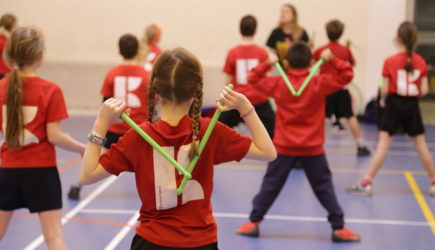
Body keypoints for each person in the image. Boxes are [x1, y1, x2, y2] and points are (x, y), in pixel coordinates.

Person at [79, 48, 276, 249]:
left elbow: (87, 175)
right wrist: (247, 109)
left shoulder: (138, 137)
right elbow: (268, 152)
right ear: (196, 91)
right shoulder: (209, 131)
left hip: (151, 242)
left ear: (154, 90)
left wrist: (101, 123)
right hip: (201, 243)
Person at [236, 42, 361, 242]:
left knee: (271, 184)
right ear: (312, 62)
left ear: (286, 63)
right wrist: (332, 59)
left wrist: (268, 63)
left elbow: (252, 78)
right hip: (311, 147)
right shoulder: (319, 82)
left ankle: (253, 222)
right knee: (324, 186)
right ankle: (339, 227)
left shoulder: (279, 83)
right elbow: (347, 76)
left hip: (284, 146)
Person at [0, 27, 86, 250]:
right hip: (41, 172)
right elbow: (54, 136)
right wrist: (82, 149)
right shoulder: (51, 90)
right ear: (40, 55)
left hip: (8, 170)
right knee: (54, 237)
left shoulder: (1, 88)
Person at [347, 21, 435, 196]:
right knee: (420, 144)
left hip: (394, 104)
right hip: (412, 106)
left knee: (383, 144)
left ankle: (366, 182)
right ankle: (434, 181)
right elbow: (424, 90)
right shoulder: (421, 62)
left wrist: (383, 101)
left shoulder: (390, 61)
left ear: (397, 38)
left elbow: (385, 89)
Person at [68, 34, 150, 200]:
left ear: (120, 51)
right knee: (150, 161)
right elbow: (152, 104)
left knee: (94, 158)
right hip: (138, 129)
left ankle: (77, 186)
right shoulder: (146, 75)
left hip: (114, 130)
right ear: (138, 51)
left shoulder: (112, 74)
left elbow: (105, 104)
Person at [313, 19, 371, 156]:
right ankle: (360, 145)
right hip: (341, 87)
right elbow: (352, 64)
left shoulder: (321, 50)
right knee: (350, 116)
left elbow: (311, 62)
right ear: (341, 33)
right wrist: (348, 49)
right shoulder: (345, 50)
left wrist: (311, 49)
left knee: (319, 118)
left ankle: (312, 146)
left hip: (325, 89)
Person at [220, 15, 275, 138]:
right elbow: (267, 78)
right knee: (272, 130)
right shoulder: (262, 52)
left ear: (240, 30)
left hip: (237, 99)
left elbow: (228, 81)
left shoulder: (232, 52)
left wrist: (224, 99)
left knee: (218, 127)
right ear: (255, 31)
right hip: (258, 99)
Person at [0, 13, 17, 79]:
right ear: (10, 26)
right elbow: (6, 58)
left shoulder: (9, 38)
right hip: (4, 71)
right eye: (15, 26)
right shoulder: (6, 40)